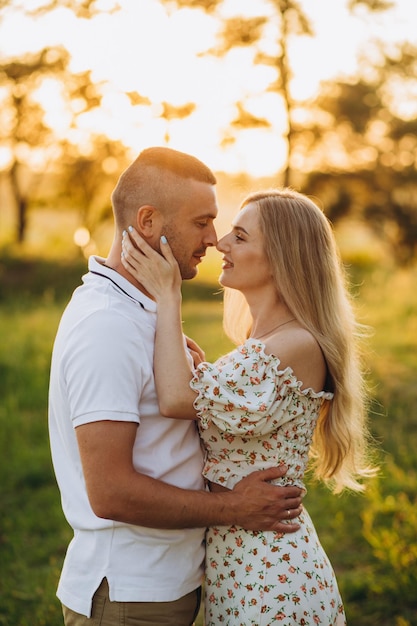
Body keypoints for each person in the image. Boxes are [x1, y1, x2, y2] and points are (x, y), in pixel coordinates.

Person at [48, 148, 304, 626]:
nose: (214, 238)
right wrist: (235, 507)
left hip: (166, 584)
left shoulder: (139, 314)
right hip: (129, 594)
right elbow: (110, 491)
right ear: (148, 221)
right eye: (202, 222)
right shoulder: (108, 323)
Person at [121, 187, 377, 626]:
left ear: (281, 257)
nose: (220, 244)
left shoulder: (295, 343)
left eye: (239, 237)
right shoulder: (263, 346)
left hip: (272, 575)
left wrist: (168, 297)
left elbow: (179, 399)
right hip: (239, 565)